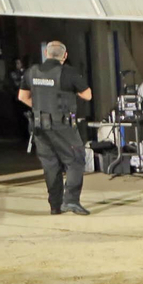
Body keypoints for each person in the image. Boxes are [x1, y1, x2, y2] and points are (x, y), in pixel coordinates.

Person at [18, 41, 93, 216]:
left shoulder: (32, 72)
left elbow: (22, 96)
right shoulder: (67, 72)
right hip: (63, 125)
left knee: (50, 165)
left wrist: (38, 107)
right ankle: (71, 201)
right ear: (64, 56)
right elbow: (87, 95)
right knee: (75, 159)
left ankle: (55, 205)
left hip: (39, 126)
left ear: (46, 53)